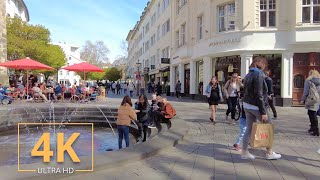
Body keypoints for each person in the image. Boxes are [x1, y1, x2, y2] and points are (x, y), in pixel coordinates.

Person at [241, 56, 281, 160]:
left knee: (249, 129)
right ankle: (269, 153)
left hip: (247, 105)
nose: (265, 67)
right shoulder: (258, 74)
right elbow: (259, 94)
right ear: (261, 64)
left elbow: (245, 91)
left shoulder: (248, 74)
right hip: (256, 106)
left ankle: (244, 152)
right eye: (265, 65)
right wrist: (263, 111)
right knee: (269, 128)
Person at [301, 70, 320, 136]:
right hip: (318, 99)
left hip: (311, 99)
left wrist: (303, 99)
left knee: (312, 113)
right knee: (312, 112)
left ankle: (316, 130)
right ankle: (313, 127)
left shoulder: (308, 80)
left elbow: (306, 91)